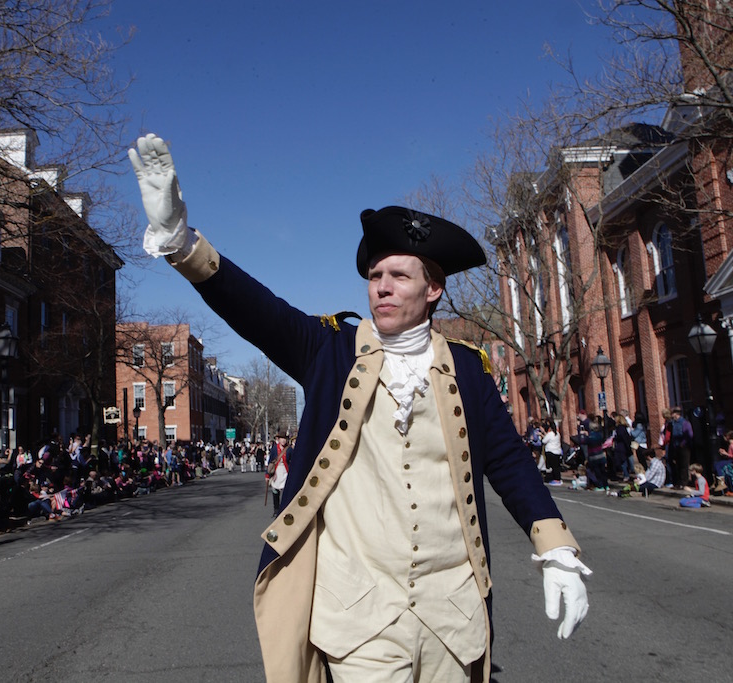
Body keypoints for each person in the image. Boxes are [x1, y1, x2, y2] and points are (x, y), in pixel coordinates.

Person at [130, 133, 590, 683]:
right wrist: (181, 242)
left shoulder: (468, 369)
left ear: (434, 289)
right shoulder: (330, 350)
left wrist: (556, 549)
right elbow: (257, 311)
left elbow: (511, 463)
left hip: (454, 617)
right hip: (358, 621)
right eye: (375, 276)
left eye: (399, 276)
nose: (382, 288)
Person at [667, 407, 694, 488]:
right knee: (678, 465)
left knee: (684, 465)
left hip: (684, 447)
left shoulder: (685, 423)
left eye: (672, 413)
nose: (671, 415)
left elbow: (689, 435)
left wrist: (683, 443)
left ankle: (684, 483)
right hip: (676, 447)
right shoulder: (673, 423)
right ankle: (679, 482)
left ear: (676, 414)